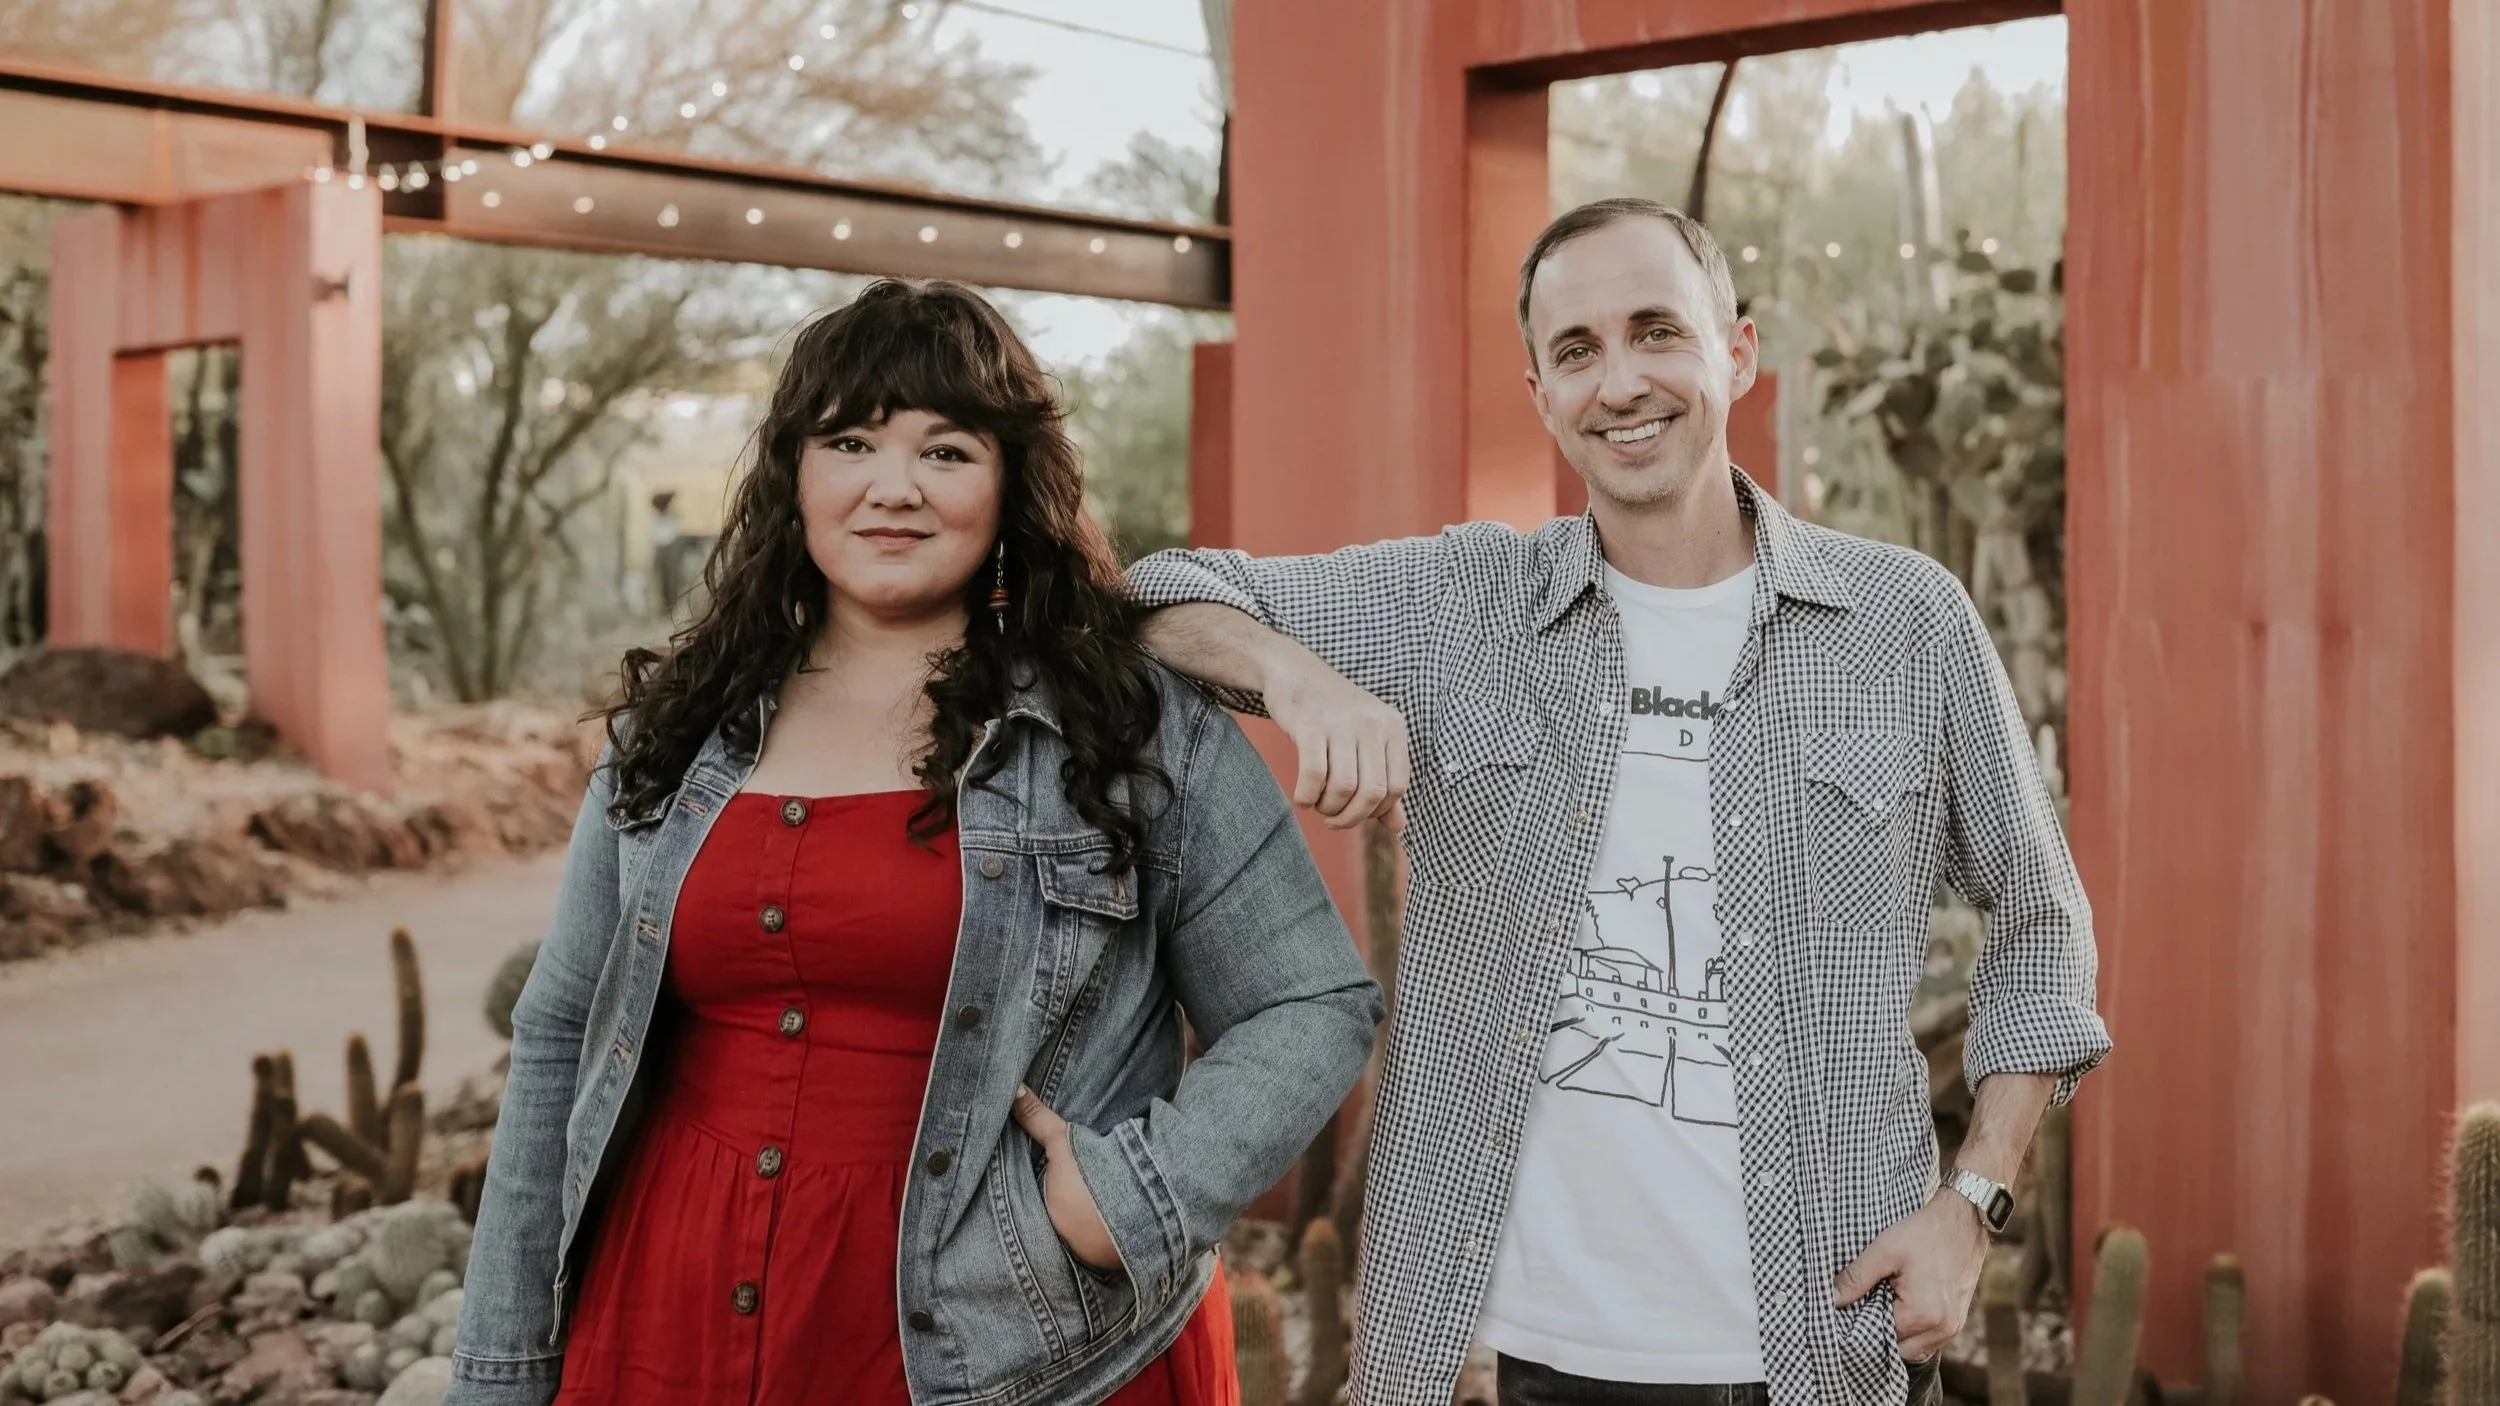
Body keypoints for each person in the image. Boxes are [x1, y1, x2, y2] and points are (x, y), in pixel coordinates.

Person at [1125, 198, 2112, 1406]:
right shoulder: (1460, 603)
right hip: (1496, 1352)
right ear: (1540, 390)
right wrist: (1297, 675)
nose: (1621, 381)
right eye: (1578, 349)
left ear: (1735, 354)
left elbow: (2042, 920)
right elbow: (1150, 595)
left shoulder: (1901, 623)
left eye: (1657, 331)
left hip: (1821, 1344)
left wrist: (1973, 1202)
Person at [447, 279, 1382, 1406]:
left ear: (1007, 487)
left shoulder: (1127, 724)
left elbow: (1311, 999)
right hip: (668, 1300)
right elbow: (558, 1034)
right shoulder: (681, 724)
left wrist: (1141, 1193)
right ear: (794, 472)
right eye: (850, 441)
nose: (893, 488)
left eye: (946, 451)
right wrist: (498, 1371)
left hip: (1018, 1336)